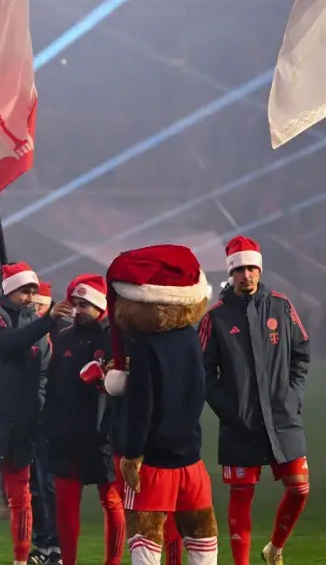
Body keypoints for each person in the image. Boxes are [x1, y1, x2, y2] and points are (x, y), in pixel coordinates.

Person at [102, 245, 220, 565]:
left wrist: (133, 454)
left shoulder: (144, 347)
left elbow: (143, 405)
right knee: (201, 535)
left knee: (144, 537)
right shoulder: (191, 338)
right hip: (191, 457)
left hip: (153, 462)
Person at [198, 237, 311, 565]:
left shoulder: (281, 305)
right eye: (239, 269)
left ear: (259, 269)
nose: (246, 275)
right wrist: (229, 411)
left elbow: (302, 352)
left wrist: (294, 395)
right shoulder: (215, 317)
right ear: (231, 274)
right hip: (240, 423)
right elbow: (203, 372)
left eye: (251, 268)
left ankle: (275, 548)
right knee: (241, 497)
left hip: (282, 416)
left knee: (300, 489)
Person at [0, 263, 68, 565]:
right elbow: (7, 344)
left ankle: (21, 561)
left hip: (19, 424)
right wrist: (46, 322)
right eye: (23, 290)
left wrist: (37, 405)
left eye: (33, 290)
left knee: (21, 499)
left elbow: (44, 373)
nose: (30, 296)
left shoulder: (37, 327)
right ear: (8, 290)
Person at [40, 276, 122, 565]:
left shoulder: (116, 339)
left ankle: (112, 562)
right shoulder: (62, 337)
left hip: (104, 437)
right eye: (76, 303)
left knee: (113, 504)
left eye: (85, 304)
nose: (78, 309)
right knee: (65, 506)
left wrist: (107, 380)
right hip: (67, 436)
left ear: (100, 306)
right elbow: (52, 386)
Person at [29, 281, 60, 565]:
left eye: (38, 304)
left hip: (54, 420)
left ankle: (56, 544)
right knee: (34, 485)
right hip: (30, 418)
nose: (33, 309)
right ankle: (41, 543)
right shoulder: (27, 332)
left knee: (50, 483)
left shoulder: (60, 334)